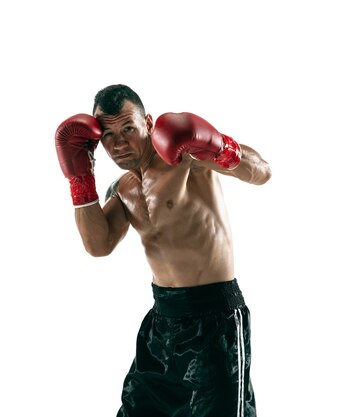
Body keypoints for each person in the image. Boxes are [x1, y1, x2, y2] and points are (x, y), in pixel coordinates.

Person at [55, 84, 271, 417]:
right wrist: (80, 179)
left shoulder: (188, 160)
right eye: (108, 135)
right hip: (162, 323)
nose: (119, 142)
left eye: (128, 128)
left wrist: (218, 145)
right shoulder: (124, 189)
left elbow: (262, 172)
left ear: (149, 124)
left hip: (215, 319)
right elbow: (98, 245)